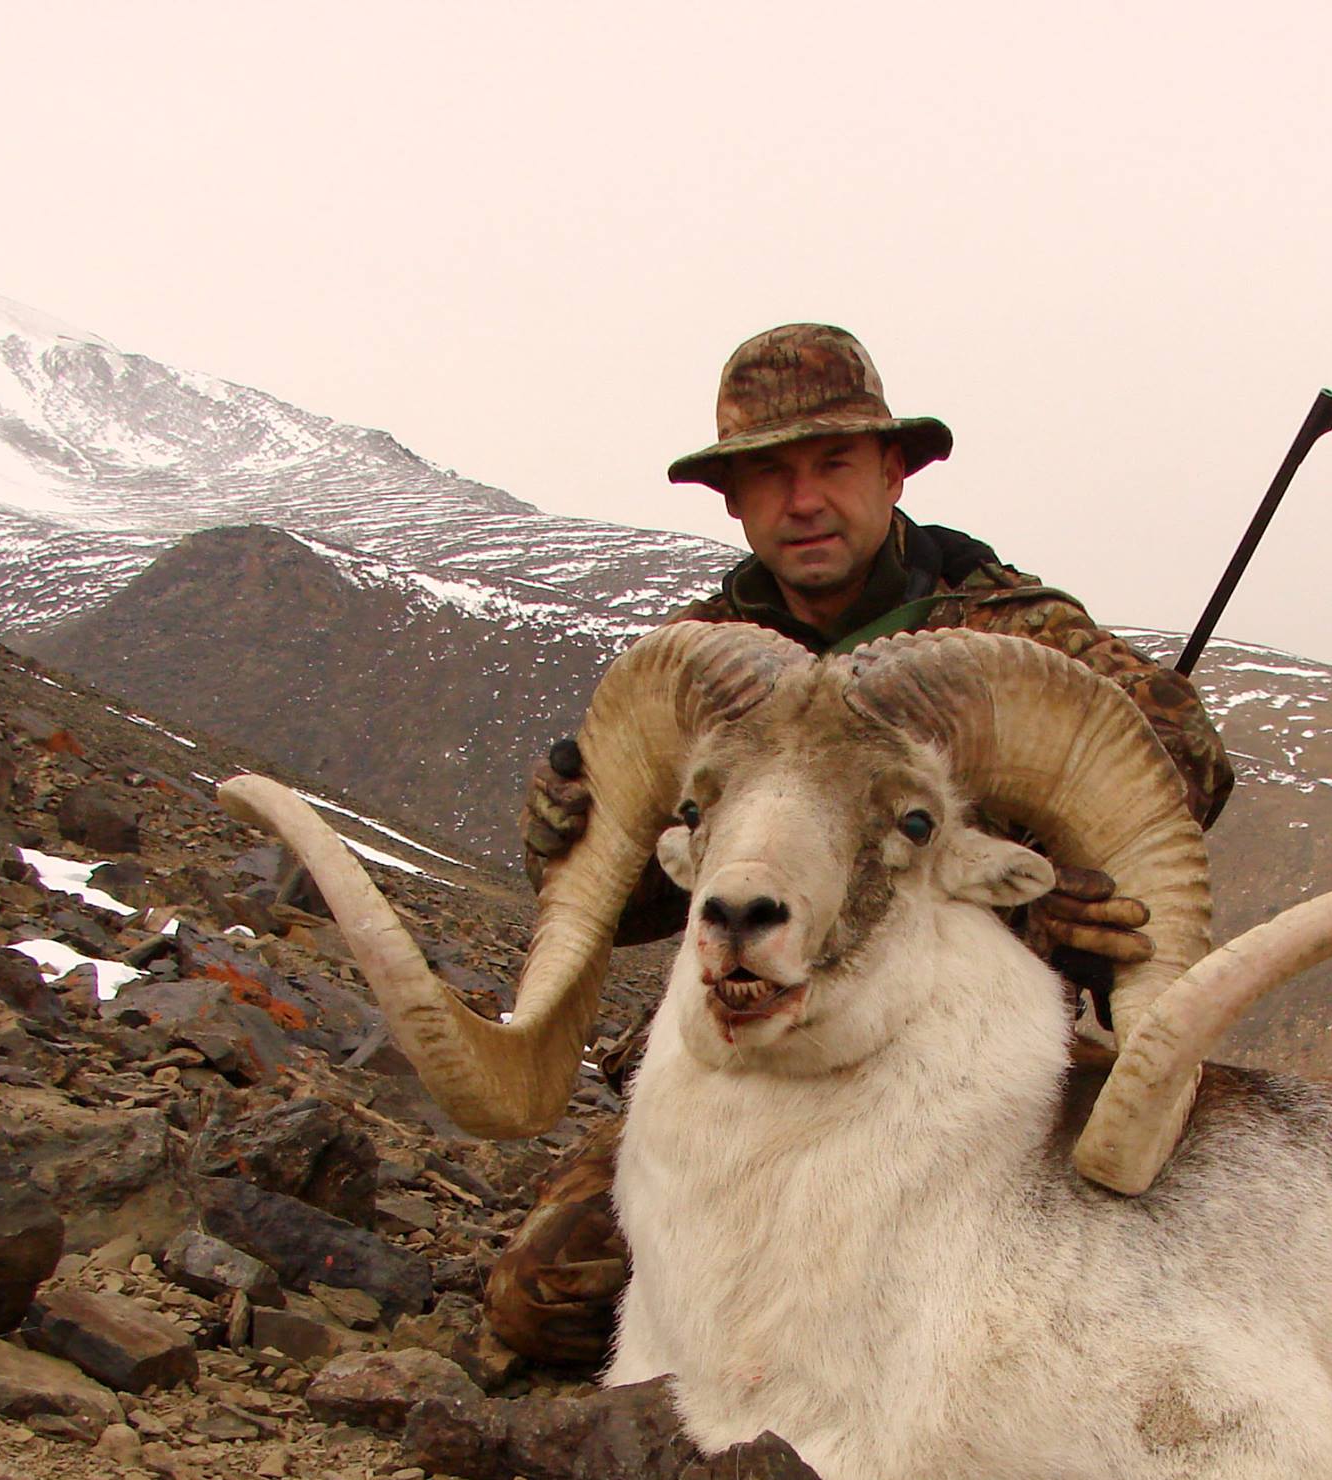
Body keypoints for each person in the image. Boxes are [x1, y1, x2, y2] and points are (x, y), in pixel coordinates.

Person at [489, 323, 1234, 1366]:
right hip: (765, 1045)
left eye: (833, 463)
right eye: (769, 475)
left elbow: (1183, 765)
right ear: (733, 501)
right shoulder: (705, 667)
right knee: (542, 1298)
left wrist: (1041, 865)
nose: (803, 501)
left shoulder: (1009, 632)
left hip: (960, 1054)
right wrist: (570, 826)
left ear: (891, 471)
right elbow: (632, 908)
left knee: (1019, 1315)